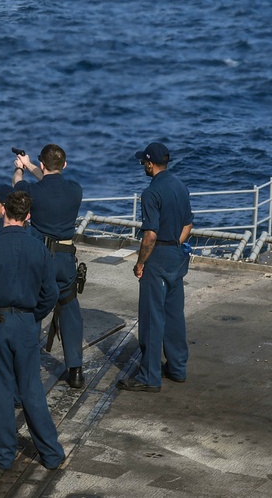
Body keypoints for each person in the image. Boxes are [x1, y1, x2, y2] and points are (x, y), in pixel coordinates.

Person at [0, 191, 64, 470]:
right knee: (32, 391)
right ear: (28, 216)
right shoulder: (39, 248)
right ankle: (52, 453)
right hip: (25, 324)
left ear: (5, 210)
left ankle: (3, 455)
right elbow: (50, 293)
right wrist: (33, 317)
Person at [118, 142, 194, 392]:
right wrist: (174, 245)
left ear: (150, 164)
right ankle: (177, 368)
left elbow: (149, 235)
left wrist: (141, 263)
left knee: (152, 318)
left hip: (158, 257)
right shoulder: (181, 186)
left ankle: (149, 377)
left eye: (144, 162)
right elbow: (188, 225)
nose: (143, 166)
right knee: (174, 315)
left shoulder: (151, 193)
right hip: (176, 254)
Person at [13, 144, 85, 389]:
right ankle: (75, 369)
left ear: (43, 165)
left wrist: (21, 169)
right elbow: (50, 182)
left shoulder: (31, 191)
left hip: (40, 257)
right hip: (66, 258)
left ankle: (28, 367)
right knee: (68, 307)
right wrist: (32, 164)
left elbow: (17, 187)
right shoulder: (75, 190)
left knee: (31, 308)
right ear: (64, 165)